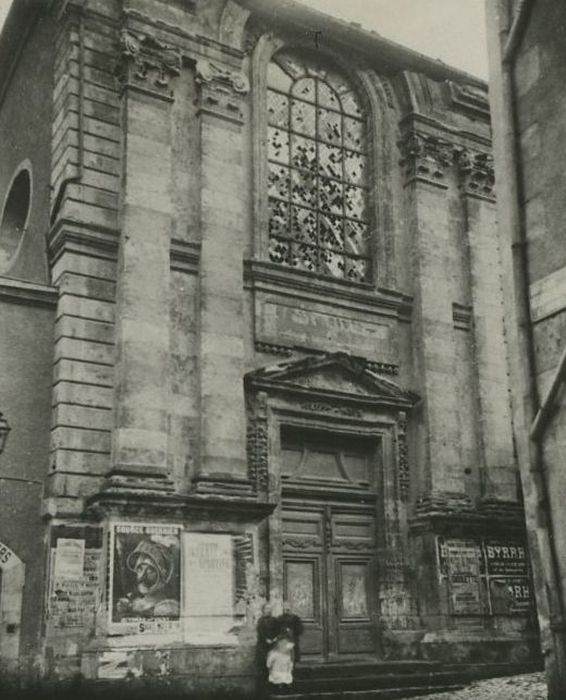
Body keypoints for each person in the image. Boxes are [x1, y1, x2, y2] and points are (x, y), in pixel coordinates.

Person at [115, 538, 179, 619]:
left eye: (150, 570)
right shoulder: (133, 601)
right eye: (140, 569)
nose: (142, 576)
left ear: (163, 574)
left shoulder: (168, 608)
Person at [256, 603, 279, 688]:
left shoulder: (275, 620)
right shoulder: (260, 621)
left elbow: (278, 630)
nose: (268, 610)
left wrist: (275, 638)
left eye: (270, 609)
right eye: (266, 609)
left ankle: (273, 683)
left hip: (273, 645)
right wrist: (266, 639)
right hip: (262, 646)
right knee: (263, 664)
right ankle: (264, 685)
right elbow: (260, 632)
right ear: (263, 610)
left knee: (274, 663)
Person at [266, 628, 295, 694]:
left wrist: (269, 666)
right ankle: (286, 688)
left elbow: (269, 662)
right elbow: (291, 661)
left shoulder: (274, 653)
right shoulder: (287, 652)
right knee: (284, 677)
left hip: (278, 670)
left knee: (279, 677)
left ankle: (280, 688)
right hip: (283, 670)